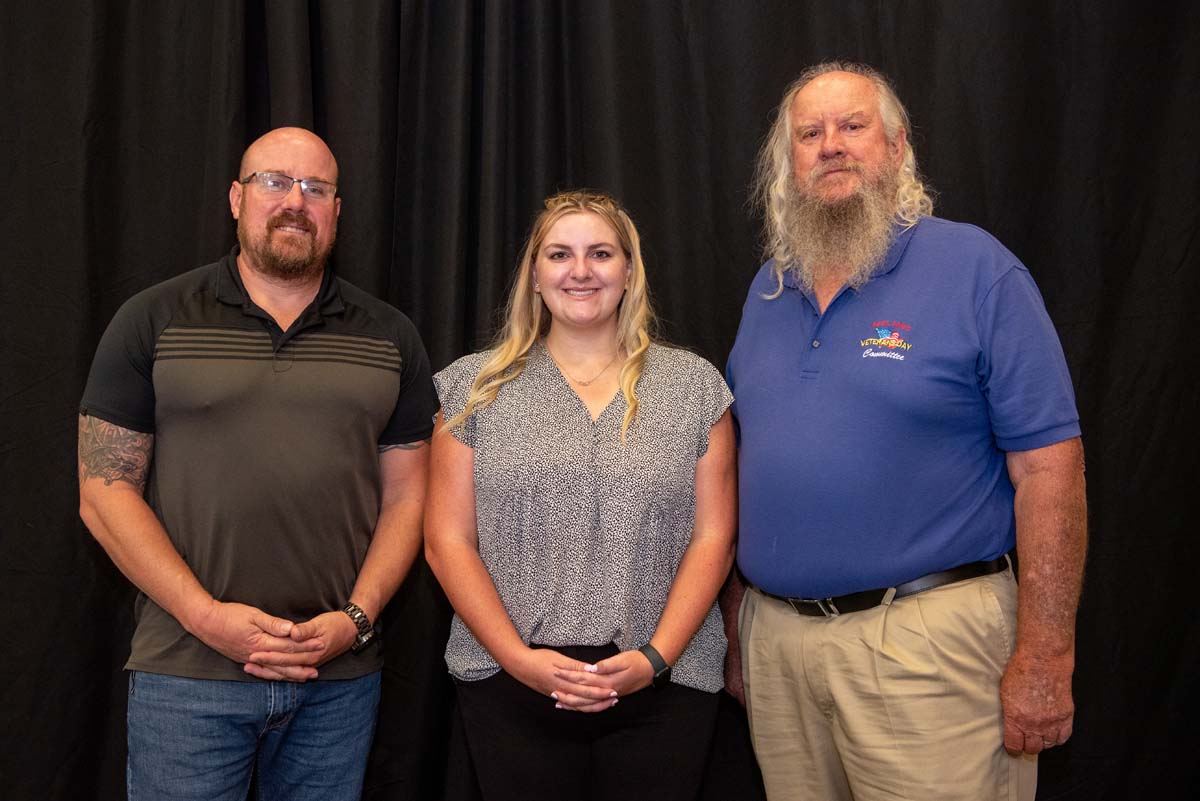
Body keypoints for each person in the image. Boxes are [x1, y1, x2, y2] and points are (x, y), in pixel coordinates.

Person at [725, 62, 1087, 801]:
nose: (831, 146)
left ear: (896, 147)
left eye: (852, 127)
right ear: (787, 162)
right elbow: (744, 468)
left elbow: (1052, 471)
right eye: (810, 133)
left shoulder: (977, 270)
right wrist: (740, 629)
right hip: (782, 650)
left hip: (927, 646)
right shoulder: (767, 290)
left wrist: (1047, 653)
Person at [77, 127, 437, 801]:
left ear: (337, 210)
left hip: (337, 683)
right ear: (237, 199)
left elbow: (409, 501)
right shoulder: (152, 320)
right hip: (187, 673)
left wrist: (355, 620)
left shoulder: (390, 336)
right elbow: (103, 491)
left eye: (315, 188)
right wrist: (206, 615)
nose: (294, 201)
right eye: (275, 182)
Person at [425, 190, 737, 800]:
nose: (581, 270)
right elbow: (446, 540)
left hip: (663, 686)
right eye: (560, 254)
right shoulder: (474, 389)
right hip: (509, 682)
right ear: (535, 276)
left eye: (601, 253)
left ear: (628, 271)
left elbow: (715, 536)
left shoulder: (694, 387)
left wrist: (655, 658)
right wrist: (518, 660)